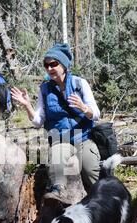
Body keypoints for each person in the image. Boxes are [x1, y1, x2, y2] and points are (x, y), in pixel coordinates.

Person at [11, 43, 101, 204]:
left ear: (64, 65)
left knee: (90, 168)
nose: (50, 68)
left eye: (54, 64)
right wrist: (27, 105)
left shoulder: (80, 84)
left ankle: (101, 202)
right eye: (47, 65)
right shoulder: (45, 89)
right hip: (60, 139)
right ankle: (57, 193)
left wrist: (83, 107)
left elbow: (96, 114)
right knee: (56, 159)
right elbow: (38, 122)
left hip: (83, 137)